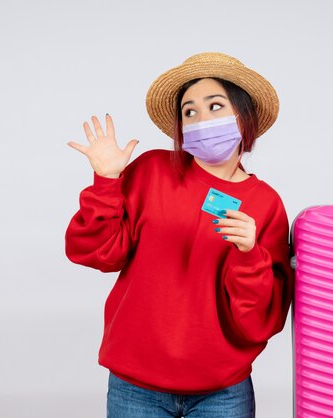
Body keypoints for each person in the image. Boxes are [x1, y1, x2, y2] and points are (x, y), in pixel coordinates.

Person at [65, 52, 294, 418]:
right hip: (135, 386)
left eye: (215, 106)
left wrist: (250, 255)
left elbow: (258, 324)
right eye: (189, 112)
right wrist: (107, 183)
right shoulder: (152, 170)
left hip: (222, 392)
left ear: (243, 118)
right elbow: (97, 253)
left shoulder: (264, 203)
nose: (201, 120)